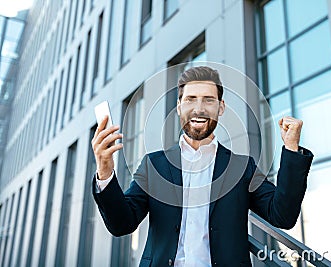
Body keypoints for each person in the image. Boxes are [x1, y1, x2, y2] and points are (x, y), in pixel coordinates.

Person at [91, 66, 313, 267]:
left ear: (221, 107)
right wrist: (105, 172)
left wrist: (291, 149)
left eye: (208, 100)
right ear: (179, 107)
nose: (199, 108)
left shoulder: (241, 166)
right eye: (190, 99)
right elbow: (122, 224)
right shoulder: (154, 164)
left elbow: (282, 215)